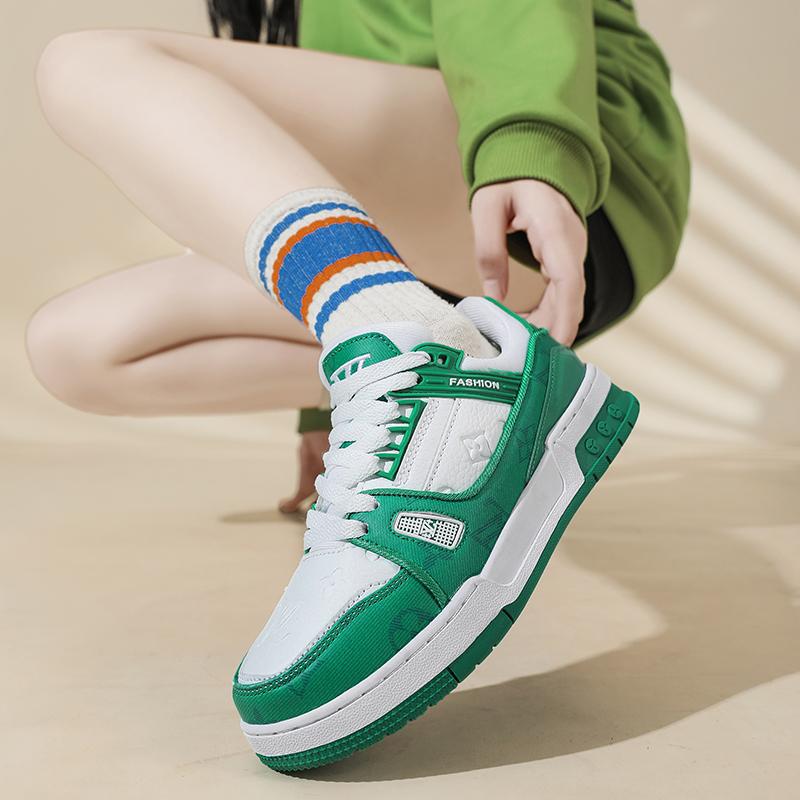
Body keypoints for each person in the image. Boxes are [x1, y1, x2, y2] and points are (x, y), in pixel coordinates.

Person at [26, 0, 689, 770]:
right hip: (423, 231)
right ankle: (440, 367)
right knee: (73, 347)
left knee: (85, 65)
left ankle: (425, 355)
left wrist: (531, 141)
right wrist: (330, 406)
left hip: (548, 139)